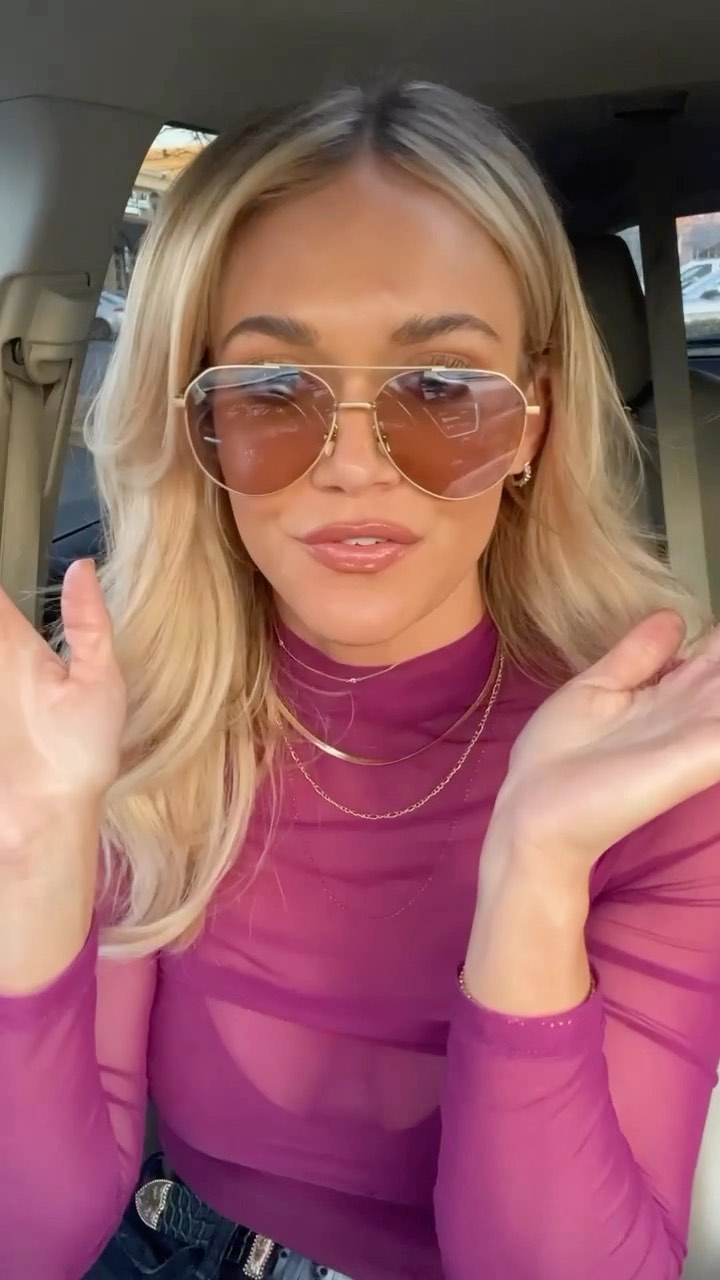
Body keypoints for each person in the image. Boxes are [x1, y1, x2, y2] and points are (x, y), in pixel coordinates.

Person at [2, 80, 720, 1280]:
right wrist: (36, 860)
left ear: (531, 423)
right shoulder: (140, 723)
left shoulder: (653, 774)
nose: (349, 465)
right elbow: (30, 1240)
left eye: (439, 387)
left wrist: (537, 865)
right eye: (269, 390)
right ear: (200, 426)